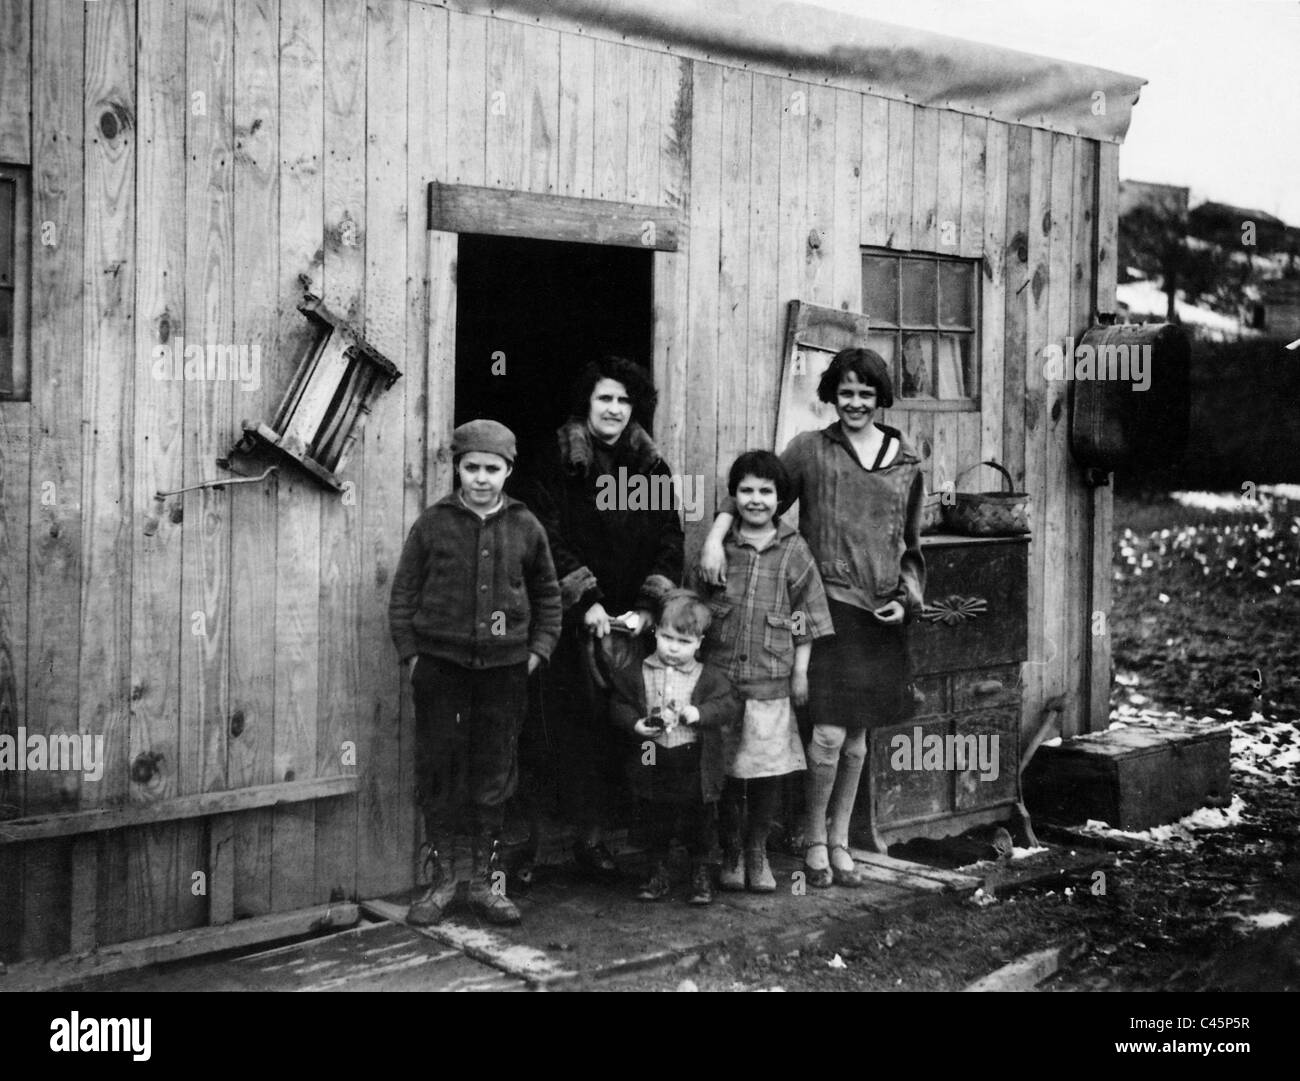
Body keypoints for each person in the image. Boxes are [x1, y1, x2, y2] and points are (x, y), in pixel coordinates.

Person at [699, 348, 925, 887]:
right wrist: (712, 538)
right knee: (825, 734)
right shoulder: (809, 450)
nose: (855, 403)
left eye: (866, 394)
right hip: (828, 611)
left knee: (856, 740)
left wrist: (909, 595)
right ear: (832, 395)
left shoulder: (908, 462)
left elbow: (912, 546)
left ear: (880, 398)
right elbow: (758, 490)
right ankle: (814, 839)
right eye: (845, 393)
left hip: (882, 617)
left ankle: (842, 839)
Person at [511, 356, 685, 879]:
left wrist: (647, 606)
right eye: (604, 398)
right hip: (568, 621)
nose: (613, 409)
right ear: (587, 402)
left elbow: (669, 537)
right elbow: (544, 533)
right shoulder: (557, 460)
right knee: (557, 733)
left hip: (629, 624)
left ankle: (595, 841)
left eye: (623, 401)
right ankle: (531, 850)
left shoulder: (649, 466)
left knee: (620, 730)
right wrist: (584, 600)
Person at [389, 419, 561, 926]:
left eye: (492, 468)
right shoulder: (433, 524)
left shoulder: (527, 526)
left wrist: (537, 652)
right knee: (439, 767)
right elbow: (404, 594)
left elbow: (549, 596)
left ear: (508, 470)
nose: (481, 478)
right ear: (457, 468)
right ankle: (442, 882)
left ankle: (486, 884)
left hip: (504, 672)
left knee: (495, 770)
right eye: (471, 467)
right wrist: (413, 655)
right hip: (439, 670)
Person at [691, 450, 835, 893]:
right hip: (721, 681)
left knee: (766, 770)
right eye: (747, 490)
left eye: (766, 491)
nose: (756, 499)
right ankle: (731, 850)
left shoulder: (793, 551)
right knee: (729, 770)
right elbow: (695, 610)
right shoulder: (721, 549)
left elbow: (805, 619)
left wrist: (801, 673)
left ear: (780, 499)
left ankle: (758, 851)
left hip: (771, 684)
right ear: (734, 496)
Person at [608, 590, 741, 905]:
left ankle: (700, 875)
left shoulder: (707, 676)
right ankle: (657, 872)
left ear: (698, 643)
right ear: (656, 634)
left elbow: (728, 706)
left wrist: (700, 713)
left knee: (699, 818)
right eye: (667, 638)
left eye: (684, 642)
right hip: (652, 754)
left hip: (691, 757)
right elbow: (619, 704)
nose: (673, 648)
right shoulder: (639, 670)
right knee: (655, 814)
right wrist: (635, 724)